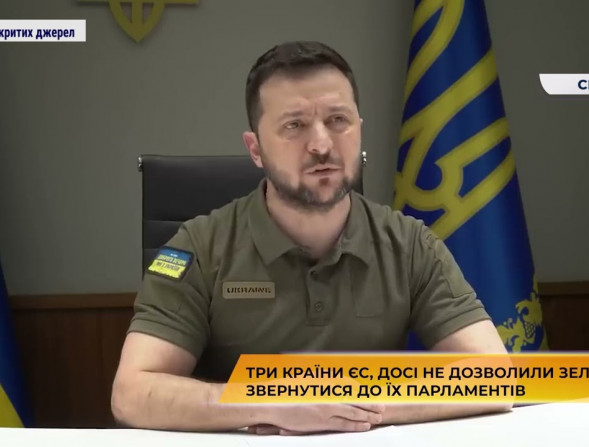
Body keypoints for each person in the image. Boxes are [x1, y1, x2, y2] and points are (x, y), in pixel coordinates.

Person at [111, 41, 510, 435]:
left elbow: (497, 376)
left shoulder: (410, 245)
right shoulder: (197, 248)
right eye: (294, 125)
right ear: (256, 149)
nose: (322, 145)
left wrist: (346, 404)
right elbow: (131, 394)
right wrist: (271, 402)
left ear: (359, 130)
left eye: (338, 120)